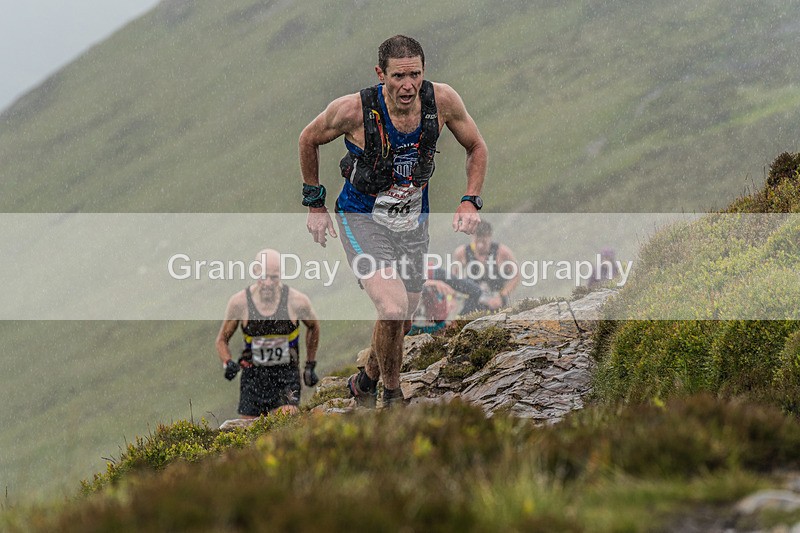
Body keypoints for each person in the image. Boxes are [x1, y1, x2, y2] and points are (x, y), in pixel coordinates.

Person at [299, 35, 488, 407]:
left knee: (403, 320)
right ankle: (392, 395)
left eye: (415, 75)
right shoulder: (353, 110)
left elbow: (476, 145)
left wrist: (470, 200)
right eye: (398, 76)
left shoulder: (442, 101)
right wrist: (315, 204)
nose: (408, 85)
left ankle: (365, 380)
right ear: (380, 74)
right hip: (361, 218)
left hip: (412, 224)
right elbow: (308, 139)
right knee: (391, 307)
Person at [215, 249, 320, 417]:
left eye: (274, 277)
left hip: (286, 377)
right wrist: (227, 363)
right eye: (263, 276)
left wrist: (310, 364)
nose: (268, 283)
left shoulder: (297, 301)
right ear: (255, 271)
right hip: (253, 379)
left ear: (282, 275)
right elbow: (222, 340)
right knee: (249, 431)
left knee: (286, 420)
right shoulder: (239, 303)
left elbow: (314, 327)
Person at [452, 220, 519, 314]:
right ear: (472, 237)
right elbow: (453, 278)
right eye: (477, 242)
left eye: (484, 242)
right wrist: (452, 297)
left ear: (490, 237)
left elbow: (516, 275)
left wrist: (502, 295)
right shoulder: (462, 252)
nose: (480, 246)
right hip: (473, 301)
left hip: (496, 301)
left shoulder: (502, 252)